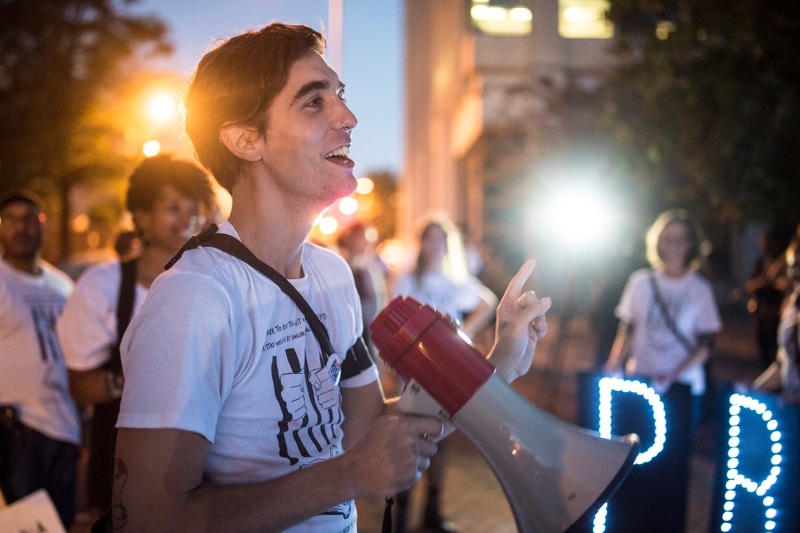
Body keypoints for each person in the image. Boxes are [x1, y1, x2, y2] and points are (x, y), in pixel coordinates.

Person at [111, 22, 551, 532]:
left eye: (339, 96)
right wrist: (347, 476)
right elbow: (147, 520)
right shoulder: (195, 297)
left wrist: (498, 366)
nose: (348, 118)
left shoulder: (333, 274)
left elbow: (372, 434)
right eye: (313, 103)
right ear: (246, 140)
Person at [56, 154, 215, 515]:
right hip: (123, 476)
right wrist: (143, 376)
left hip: (204, 472)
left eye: (194, 208)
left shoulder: (216, 283)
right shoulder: (103, 286)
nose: (187, 219)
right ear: (141, 216)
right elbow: (80, 387)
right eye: (173, 208)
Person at [391, 214, 498, 532]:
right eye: (429, 238)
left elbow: (488, 302)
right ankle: (401, 515)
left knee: (440, 437)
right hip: (412, 367)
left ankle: (431, 513)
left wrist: (463, 333)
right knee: (409, 438)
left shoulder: (456, 280)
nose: (435, 245)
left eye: (441, 239)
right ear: (421, 243)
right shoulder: (408, 280)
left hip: (445, 367)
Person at [0, 190, 80, 529]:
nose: (22, 228)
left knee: (61, 524)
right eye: (11, 220)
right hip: (18, 431)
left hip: (65, 426)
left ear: (44, 226)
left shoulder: (62, 286)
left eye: (30, 219)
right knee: (25, 525)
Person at [603, 209, 722, 431]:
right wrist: (614, 363)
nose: (673, 246)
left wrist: (673, 375)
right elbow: (627, 329)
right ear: (657, 242)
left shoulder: (700, 289)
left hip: (683, 387)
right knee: (634, 443)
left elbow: (706, 345)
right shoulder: (640, 282)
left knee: (675, 449)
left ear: (691, 244)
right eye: (667, 239)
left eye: (680, 239)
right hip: (641, 379)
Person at [752, 239, 800, 405]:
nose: (796, 272)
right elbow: (784, 362)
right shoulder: (790, 309)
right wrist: (752, 391)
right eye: (793, 266)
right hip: (791, 405)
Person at [745, 223, 793, 371]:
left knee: (777, 346)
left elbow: (783, 283)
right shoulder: (761, 262)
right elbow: (752, 282)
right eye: (762, 241)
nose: (764, 244)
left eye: (767, 240)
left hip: (776, 310)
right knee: (763, 346)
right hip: (762, 310)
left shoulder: (783, 260)